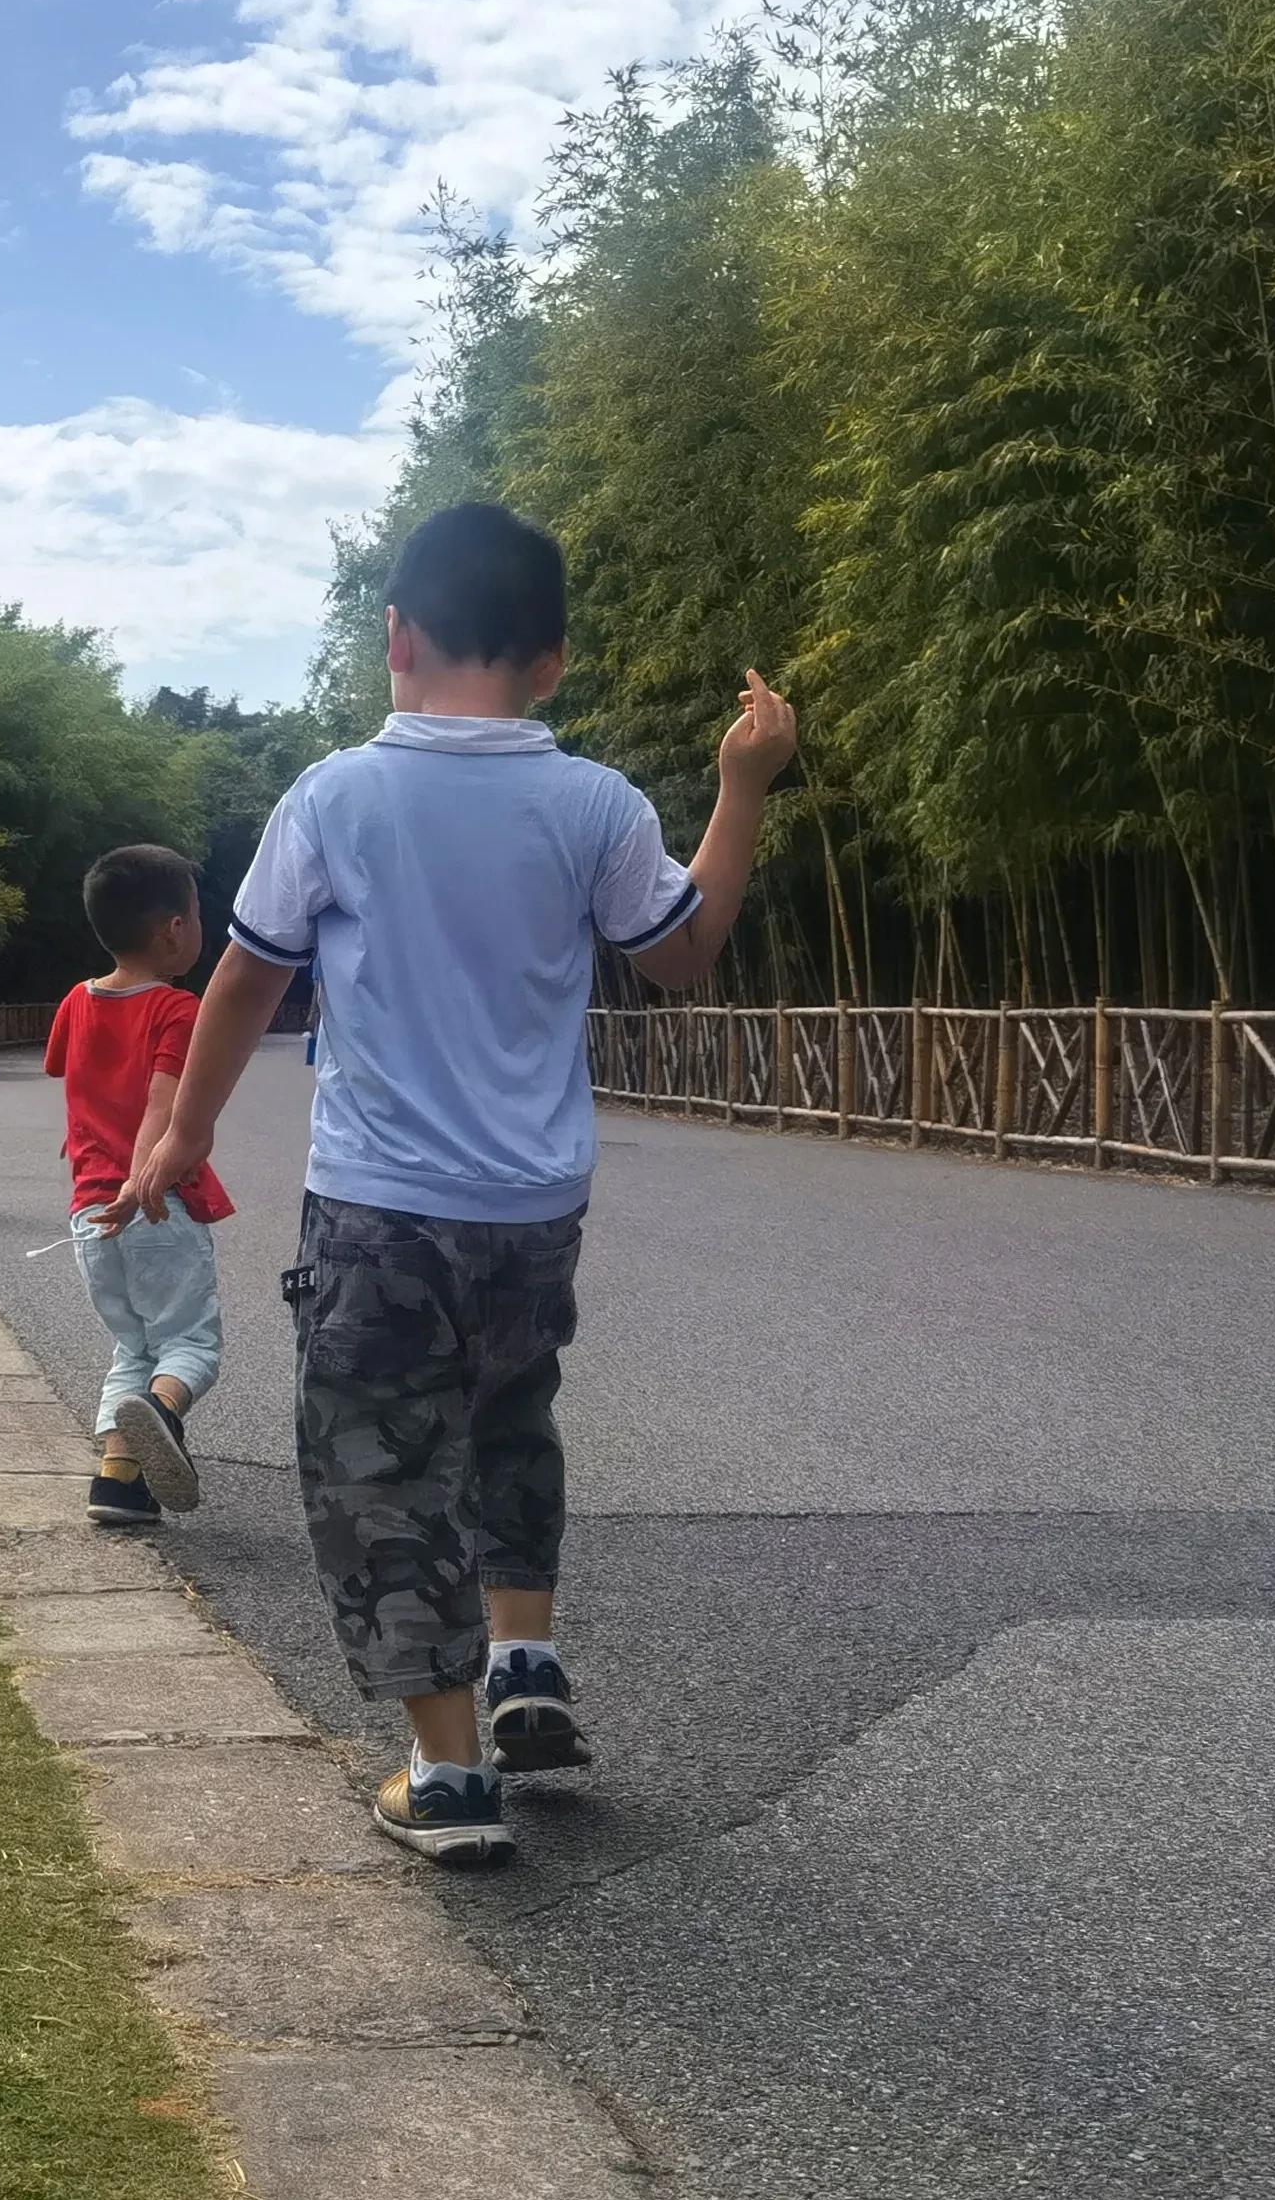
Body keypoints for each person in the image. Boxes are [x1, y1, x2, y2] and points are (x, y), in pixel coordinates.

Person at [117, 502, 795, 1867]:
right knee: (508, 1422)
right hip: (534, 1211)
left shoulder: (336, 797)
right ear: (550, 661)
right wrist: (744, 784)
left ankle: (446, 1774)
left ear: (395, 636)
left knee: (376, 1472)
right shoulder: (597, 801)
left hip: (380, 1206)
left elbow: (247, 975)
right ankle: (524, 1656)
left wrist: (184, 1136)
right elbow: (681, 952)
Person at [47, 845, 232, 1529]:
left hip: (89, 1212)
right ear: (174, 929)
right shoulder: (177, 1009)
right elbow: (162, 1101)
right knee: (190, 1346)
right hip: (155, 1202)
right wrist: (143, 1173)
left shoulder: (75, 1000)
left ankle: (119, 1484)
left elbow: (74, 1081)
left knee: (134, 1346)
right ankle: (162, 1410)